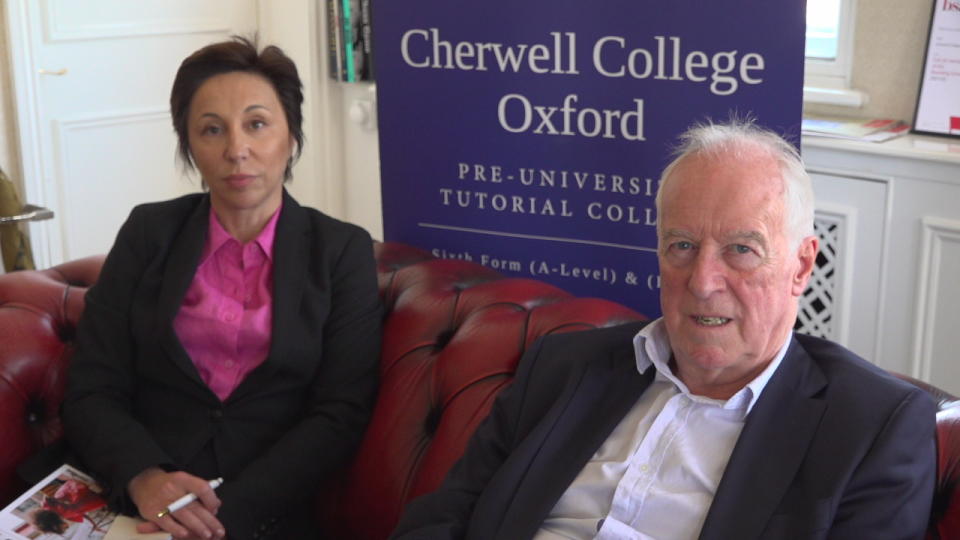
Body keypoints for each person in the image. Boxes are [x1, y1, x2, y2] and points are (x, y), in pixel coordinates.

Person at [391, 119, 936, 539]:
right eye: (682, 246)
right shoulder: (562, 367)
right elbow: (442, 520)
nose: (702, 281)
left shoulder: (870, 429)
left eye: (741, 251)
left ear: (800, 266)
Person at [60, 36, 382, 540]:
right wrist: (145, 477)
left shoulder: (341, 251)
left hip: (265, 509)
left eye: (257, 124)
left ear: (291, 135)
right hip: (133, 493)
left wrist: (220, 519)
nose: (237, 150)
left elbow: (340, 413)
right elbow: (92, 387)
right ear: (189, 145)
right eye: (212, 130)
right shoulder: (149, 234)